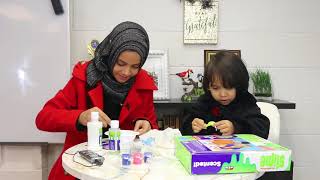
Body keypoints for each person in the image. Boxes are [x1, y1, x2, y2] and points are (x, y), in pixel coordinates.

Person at [35, 21, 158, 180]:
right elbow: (43, 118)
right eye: (120, 63)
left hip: (123, 171)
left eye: (135, 66)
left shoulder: (143, 83)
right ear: (111, 54)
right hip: (81, 169)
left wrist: (147, 124)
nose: (126, 72)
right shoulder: (83, 78)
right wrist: (80, 117)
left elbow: (152, 126)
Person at [181, 51, 270, 139]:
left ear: (239, 85)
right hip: (209, 151)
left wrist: (235, 127)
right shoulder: (205, 101)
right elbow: (186, 123)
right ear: (208, 86)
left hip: (239, 152)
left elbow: (261, 127)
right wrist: (192, 125)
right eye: (216, 88)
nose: (223, 94)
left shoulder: (245, 101)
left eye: (229, 87)